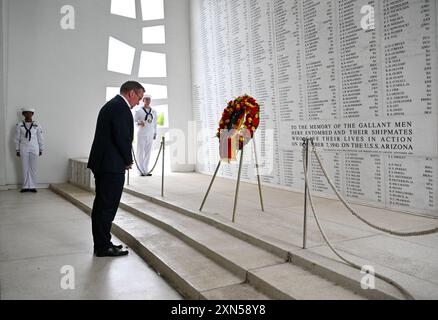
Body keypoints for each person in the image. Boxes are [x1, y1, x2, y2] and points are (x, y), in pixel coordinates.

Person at [87, 81, 145, 257]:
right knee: (106, 207)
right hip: (110, 165)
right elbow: (122, 137)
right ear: (131, 93)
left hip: (105, 163)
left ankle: (103, 243)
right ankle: (103, 247)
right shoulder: (121, 108)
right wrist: (128, 160)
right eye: (139, 98)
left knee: (102, 206)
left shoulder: (112, 105)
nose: (139, 102)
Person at [15, 107, 44, 193]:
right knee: (24, 167)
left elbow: (40, 137)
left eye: (30, 113)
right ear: (23, 114)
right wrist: (17, 149)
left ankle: (32, 186)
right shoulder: (19, 125)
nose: (28, 114)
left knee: (33, 168)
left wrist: (41, 148)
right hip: (23, 147)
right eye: (26, 113)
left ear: (32, 114)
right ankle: (25, 186)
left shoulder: (37, 125)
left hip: (34, 148)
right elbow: (17, 138)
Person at [134, 94, 157, 176]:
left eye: (149, 99)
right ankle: (140, 170)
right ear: (143, 100)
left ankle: (146, 169)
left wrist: (155, 133)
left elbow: (155, 123)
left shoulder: (154, 112)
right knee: (140, 152)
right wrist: (139, 123)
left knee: (148, 152)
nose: (148, 101)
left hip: (150, 134)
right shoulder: (139, 111)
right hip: (142, 134)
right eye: (146, 99)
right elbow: (134, 121)